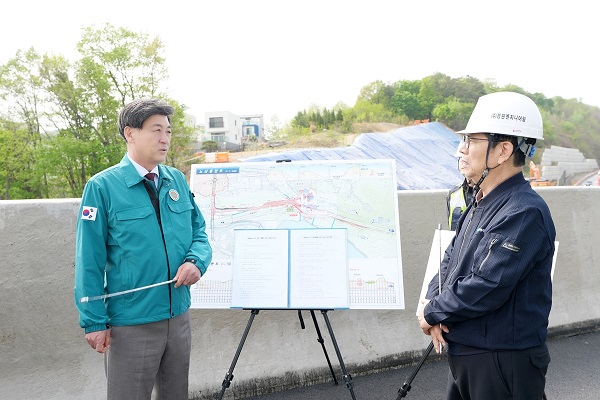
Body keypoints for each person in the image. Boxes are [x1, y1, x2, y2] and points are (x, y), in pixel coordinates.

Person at [417, 91, 556, 400]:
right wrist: (432, 306)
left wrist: (434, 311)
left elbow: (488, 284)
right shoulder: (480, 201)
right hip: (468, 353)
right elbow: (450, 260)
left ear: (503, 150)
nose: (461, 149)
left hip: (502, 360)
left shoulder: (523, 211)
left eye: (470, 141)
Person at [74, 98, 212, 400]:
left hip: (178, 318)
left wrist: (196, 262)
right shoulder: (102, 187)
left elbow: (199, 232)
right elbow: (89, 260)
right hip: (132, 324)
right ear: (130, 133)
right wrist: (94, 321)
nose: (165, 139)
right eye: (156, 130)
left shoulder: (176, 180)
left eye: (168, 131)